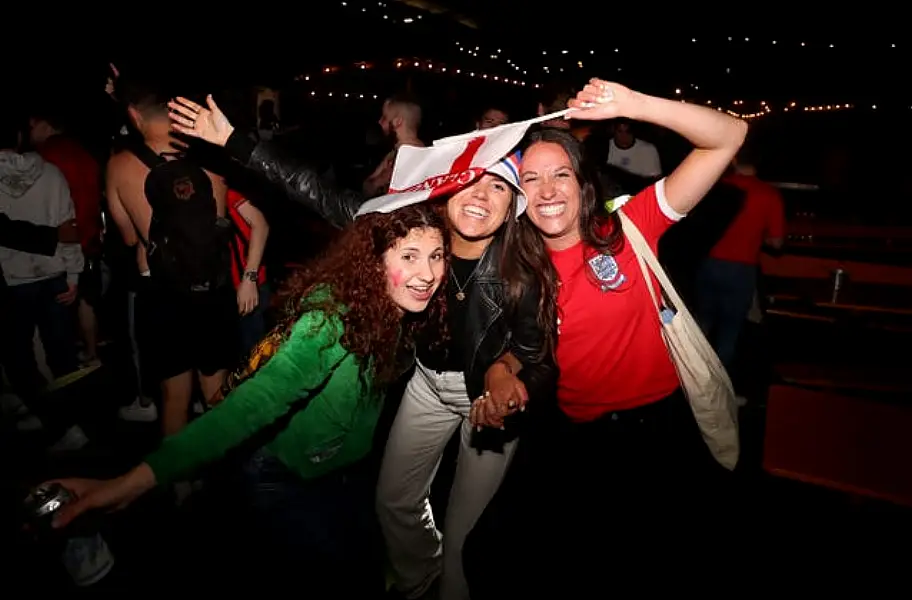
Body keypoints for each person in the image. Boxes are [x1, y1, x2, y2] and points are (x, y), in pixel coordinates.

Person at [168, 95, 555, 600]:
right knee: (393, 500)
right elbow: (322, 195)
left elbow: (539, 354)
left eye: (499, 186)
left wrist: (507, 372)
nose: (482, 195)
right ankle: (418, 578)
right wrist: (237, 142)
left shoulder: (522, 270)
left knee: (465, 527)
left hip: (484, 400)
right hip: (426, 389)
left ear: (512, 209)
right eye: (473, 180)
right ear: (450, 187)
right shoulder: (414, 231)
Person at [46, 202, 448, 595]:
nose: (427, 274)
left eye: (436, 256)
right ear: (372, 259)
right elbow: (251, 406)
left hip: (345, 473)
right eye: (409, 255)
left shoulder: (393, 308)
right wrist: (131, 483)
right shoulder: (331, 322)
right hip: (288, 479)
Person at [465, 79, 747, 596]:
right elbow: (513, 347)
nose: (547, 191)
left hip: (657, 433)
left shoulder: (628, 227)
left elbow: (728, 135)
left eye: (560, 175)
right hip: (574, 439)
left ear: (582, 182)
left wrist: (635, 104)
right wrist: (499, 372)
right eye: (531, 179)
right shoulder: (516, 268)